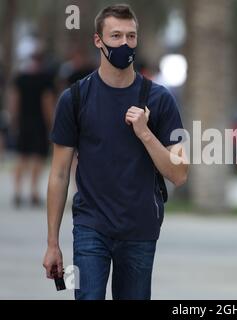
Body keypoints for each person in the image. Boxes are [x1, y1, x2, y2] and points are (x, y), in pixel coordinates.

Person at [42, 4, 189, 300]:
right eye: (116, 36)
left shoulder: (160, 100)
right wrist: (52, 243)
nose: (125, 44)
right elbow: (58, 174)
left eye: (131, 37)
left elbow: (179, 173)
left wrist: (145, 133)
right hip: (89, 227)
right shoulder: (75, 98)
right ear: (99, 41)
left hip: (140, 229)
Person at [10, 50, 55, 207]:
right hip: (39, 123)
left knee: (21, 156)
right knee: (37, 157)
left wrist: (14, 119)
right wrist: (51, 124)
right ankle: (34, 192)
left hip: (23, 122)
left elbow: (14, 100)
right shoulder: (45, 79)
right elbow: (47, 102)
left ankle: (17, 191)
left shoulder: (20, 78)